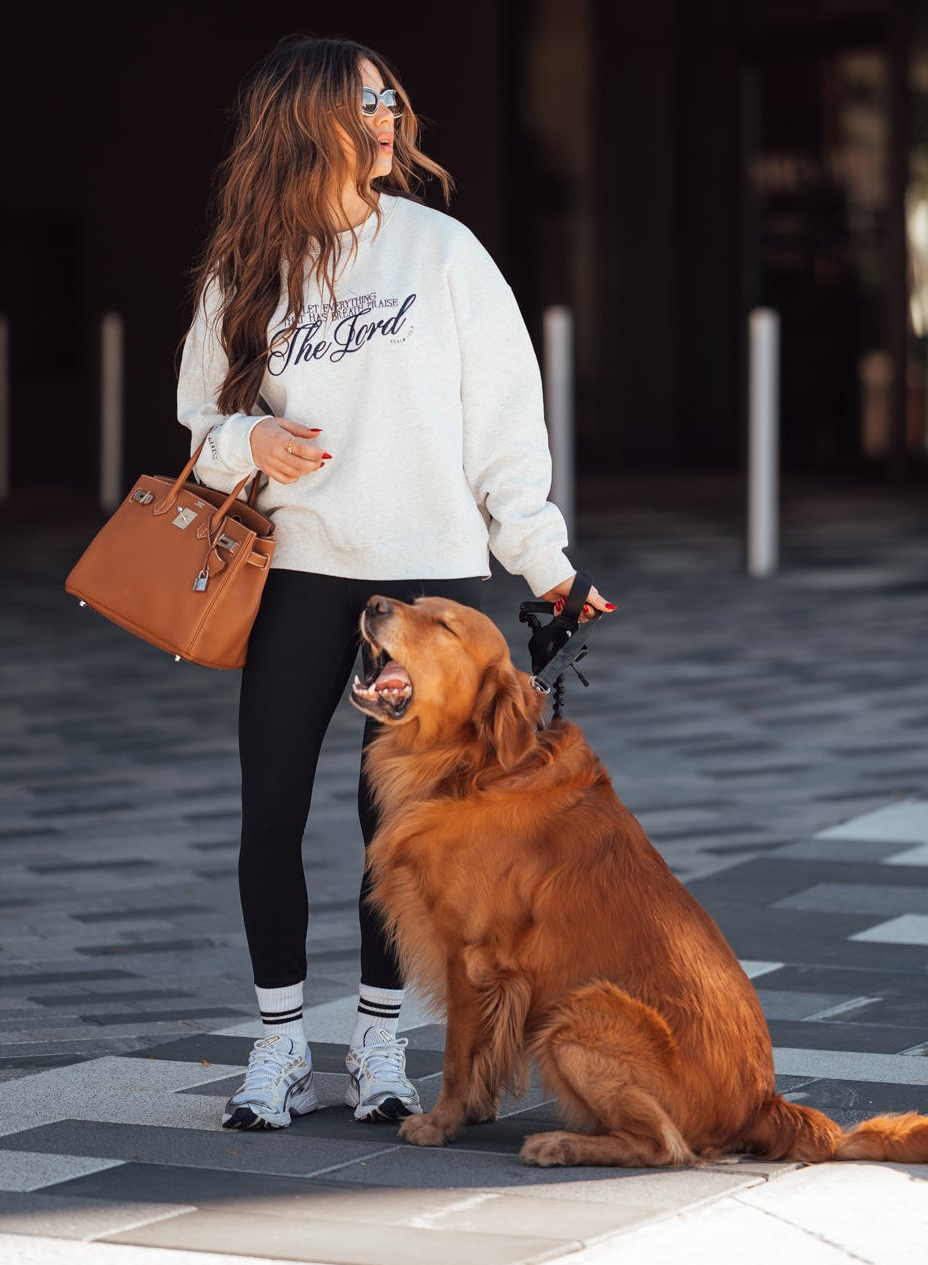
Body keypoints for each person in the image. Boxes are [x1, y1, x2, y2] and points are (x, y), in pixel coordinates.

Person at [176, 33, 613, 1132]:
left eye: (389, 97)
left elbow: (504, 432)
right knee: (269, 808)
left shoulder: (443, 253)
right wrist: (249, 442)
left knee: (402, 822)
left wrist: (549, 572)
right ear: (306, 117)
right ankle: (278, 1042)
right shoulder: (248, 267)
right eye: (364, 99)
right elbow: (198, 425)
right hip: (303, 572)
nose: (387, 115)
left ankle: (379, 1040)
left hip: (428, 585)